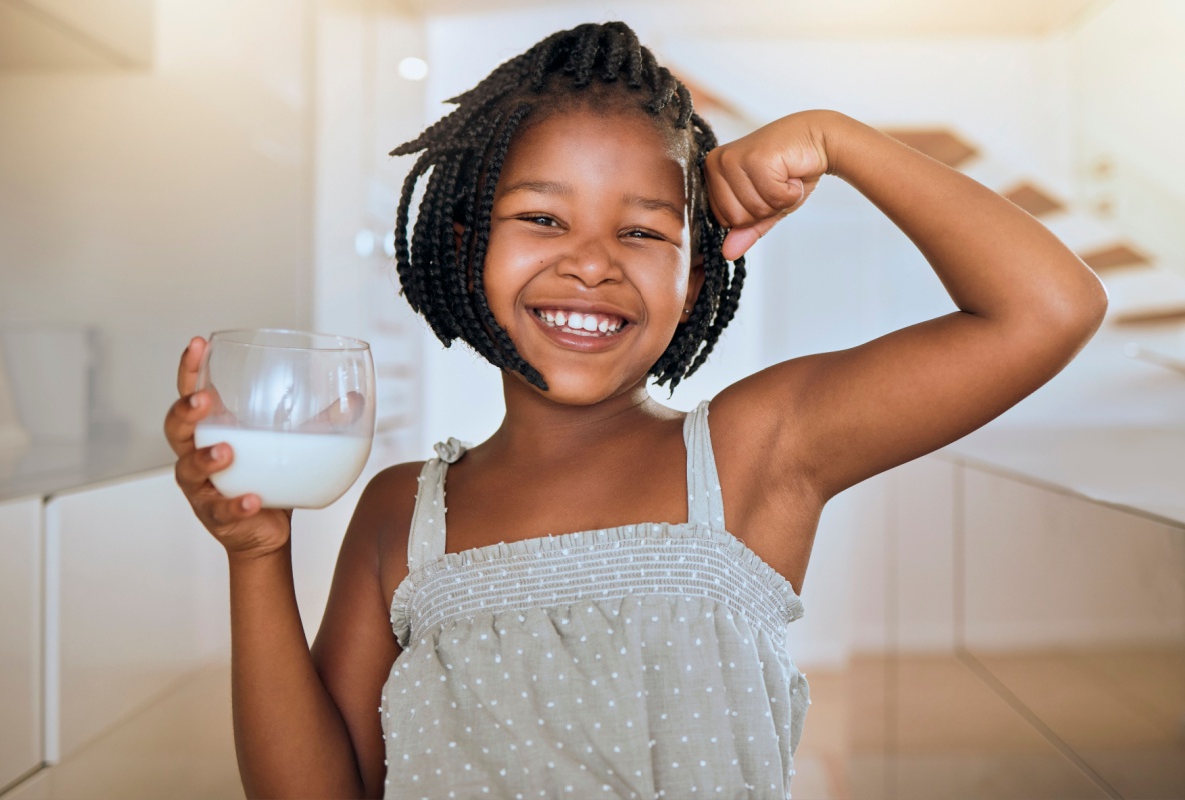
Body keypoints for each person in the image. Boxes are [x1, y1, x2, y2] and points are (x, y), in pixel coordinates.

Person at [164, 21, 1107, 800]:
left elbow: (1049, 308)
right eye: (542, 217)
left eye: (644, 231)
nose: (591, 262)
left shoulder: (754, 452)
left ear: (697, 269)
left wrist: (838, 138)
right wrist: (258, 556)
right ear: (464, 240)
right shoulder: (401, 516)